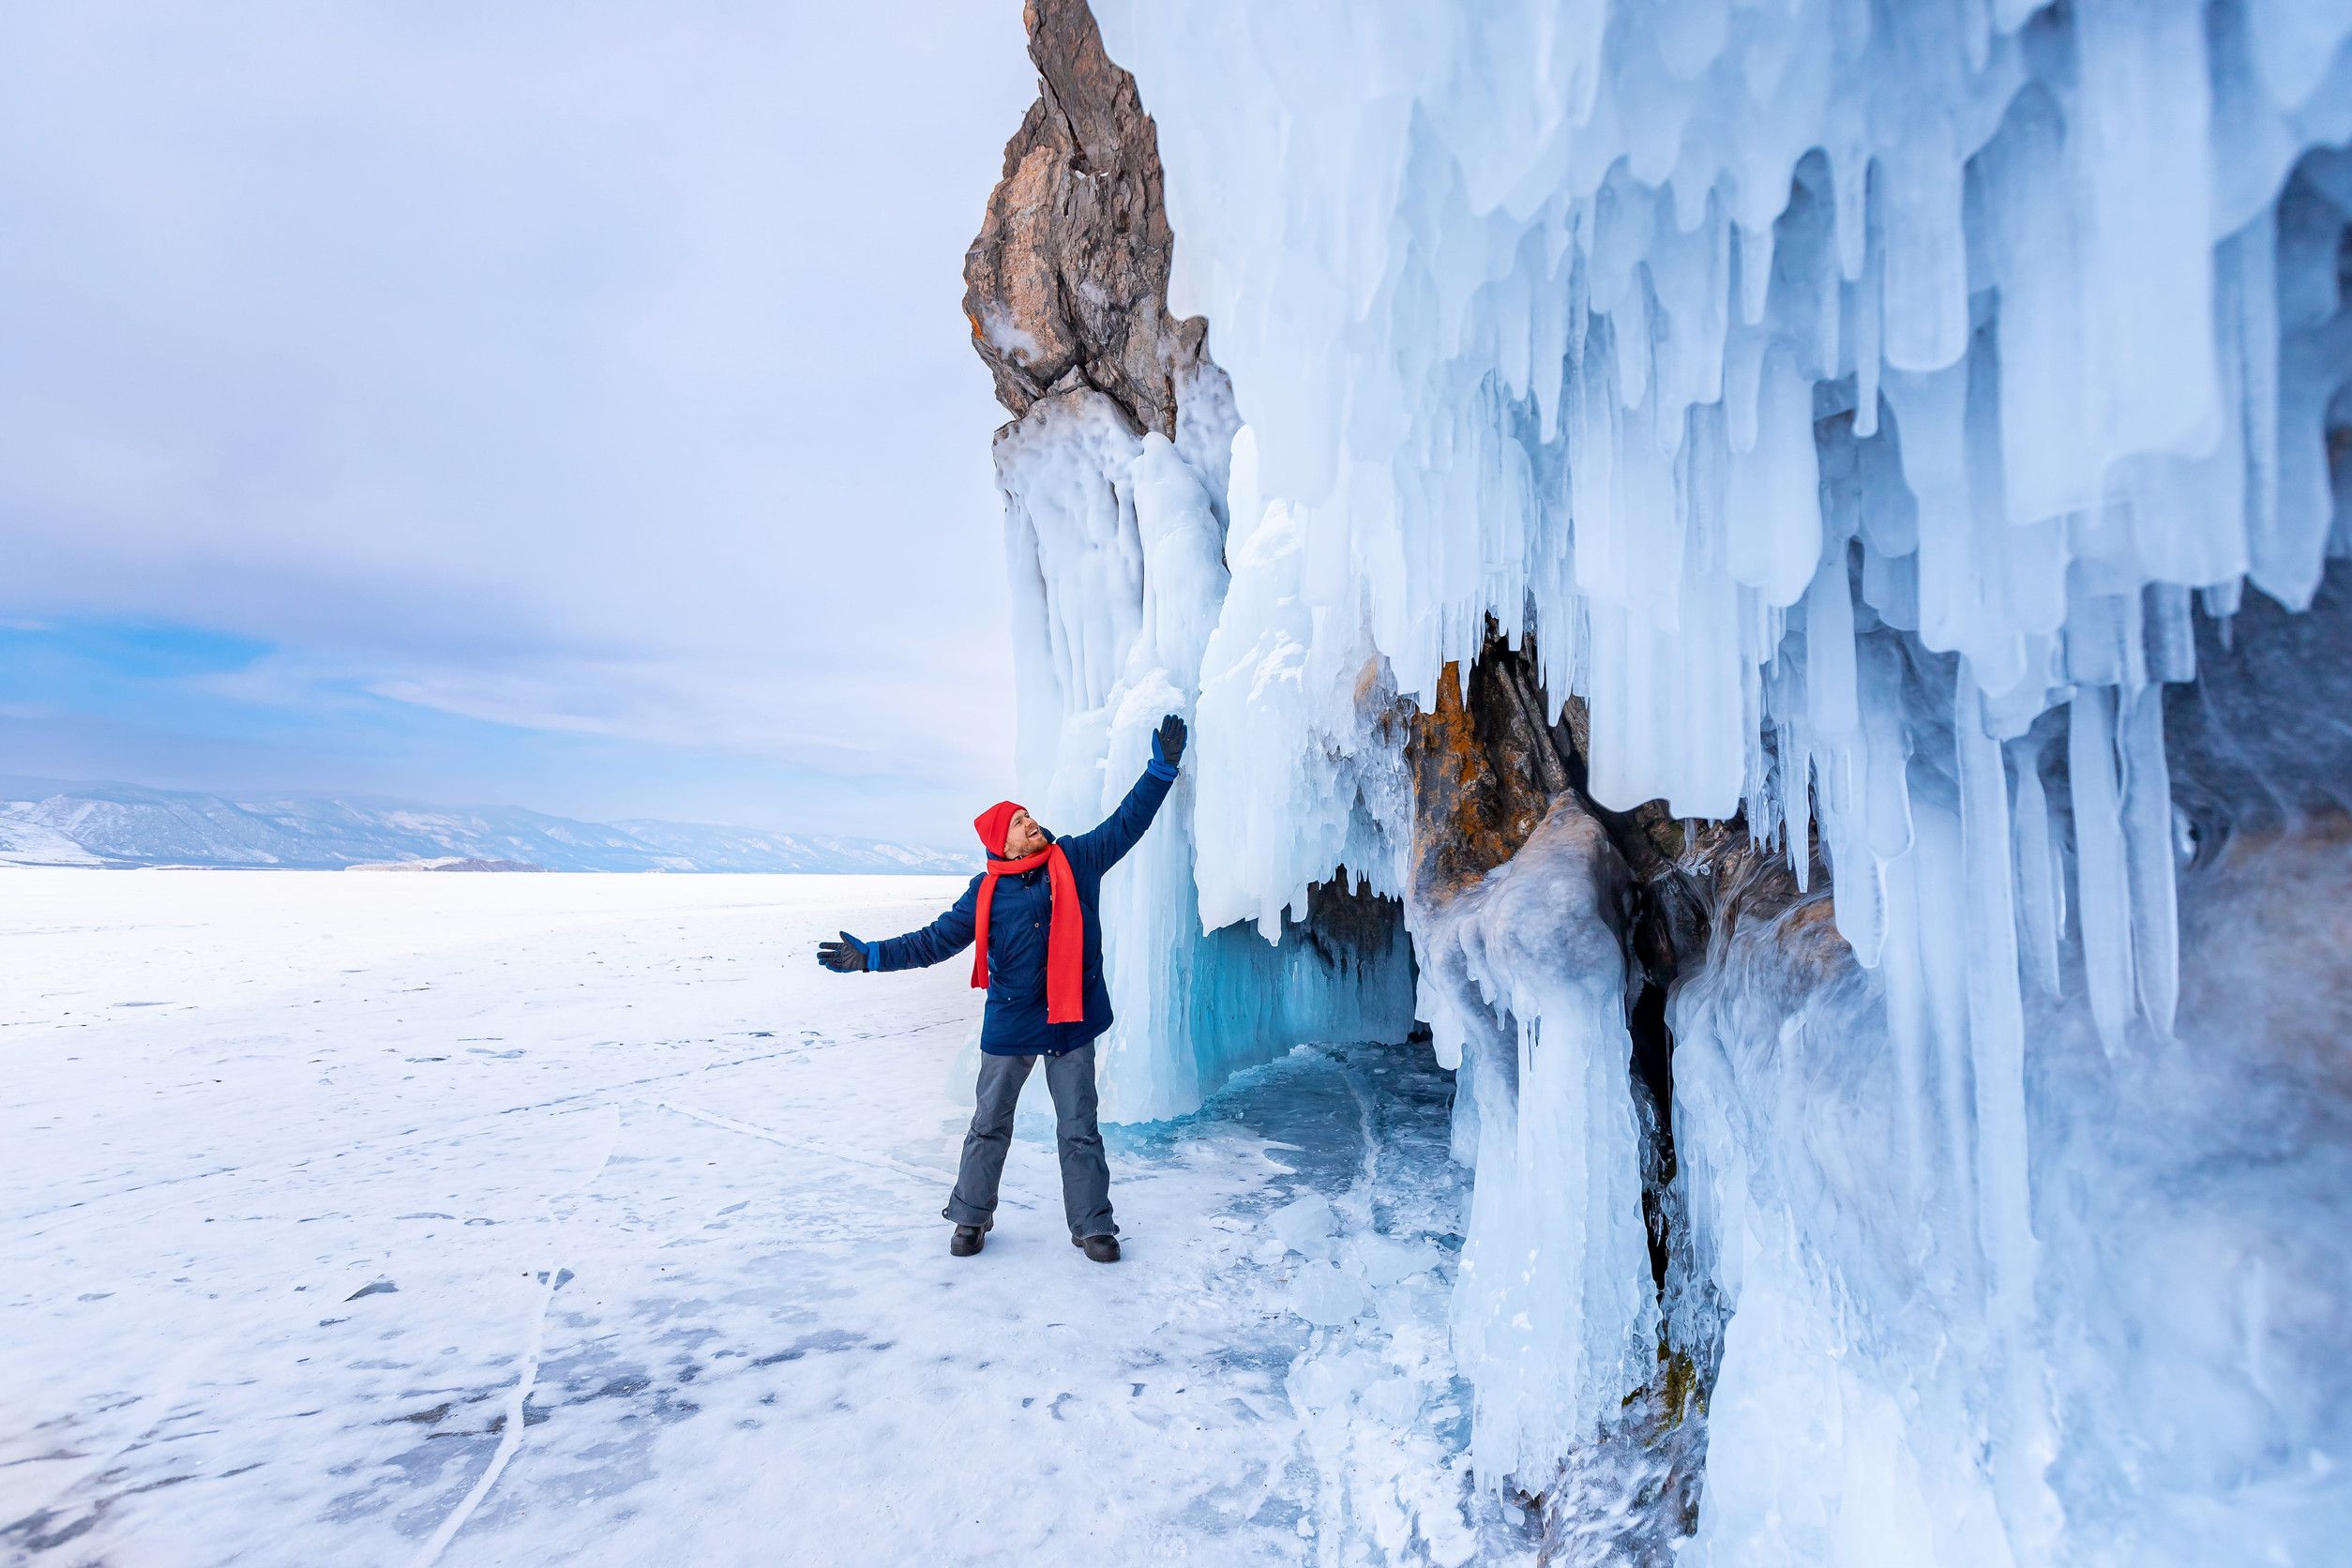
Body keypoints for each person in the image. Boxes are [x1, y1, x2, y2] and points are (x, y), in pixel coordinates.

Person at [817, 714, 1186, 1262]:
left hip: (1071, 1017)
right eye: (1019, 822)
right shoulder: (985, 891)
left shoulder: (1077, 860)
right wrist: (870, 956)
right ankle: (970, 1217)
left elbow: (1126, 823)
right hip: (1011, 1020)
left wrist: (1160, 770)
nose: (1031, 822)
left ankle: (1093, 1226)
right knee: (989, 1124)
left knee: (1079, 1127)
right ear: (1002, 841)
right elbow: (934, 941)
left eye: (1030, 816)